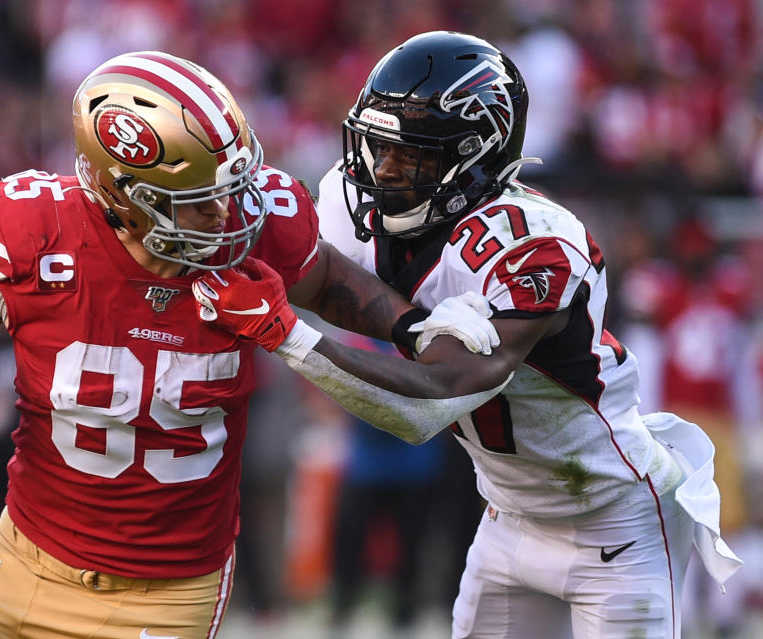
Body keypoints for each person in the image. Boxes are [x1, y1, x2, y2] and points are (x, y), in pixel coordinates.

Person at [0, 51, 502, 639]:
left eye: (234, 186)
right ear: (121, 194)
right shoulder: (38, 236)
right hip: (20, 557)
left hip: (162, 595)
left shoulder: (260, 227)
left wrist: (408, 324)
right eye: (199, 201)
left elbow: (325, 277)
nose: (230, 215)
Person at [190, 32, 745, 638]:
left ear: (476, 156)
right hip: (510, 516)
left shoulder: (535, 244)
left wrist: (287, 335)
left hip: (614, 520)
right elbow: (321, 277)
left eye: (412, 154)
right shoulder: (365, 205)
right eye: (380, 147)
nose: (385, 168)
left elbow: (438, 392)